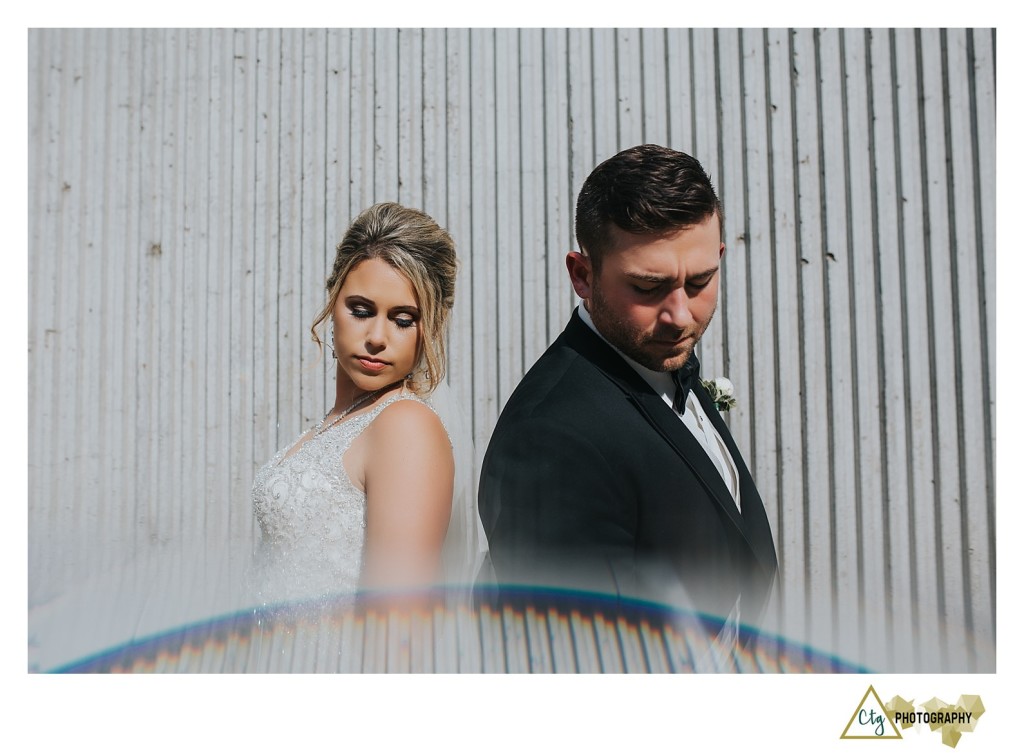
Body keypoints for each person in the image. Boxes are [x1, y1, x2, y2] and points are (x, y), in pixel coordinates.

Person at [478, 145, 778, 652]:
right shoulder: (549, 441)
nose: (680, 316)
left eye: (700, 281)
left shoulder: (663, 358)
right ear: (582, 275)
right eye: (648, 287)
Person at [252, 202, 463, 608]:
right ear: (333, 303)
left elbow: (395, 632)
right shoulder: (342, 423)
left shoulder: (405, 425)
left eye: (403, 319)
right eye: (361, 310)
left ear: (430, 326)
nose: (377, 337)